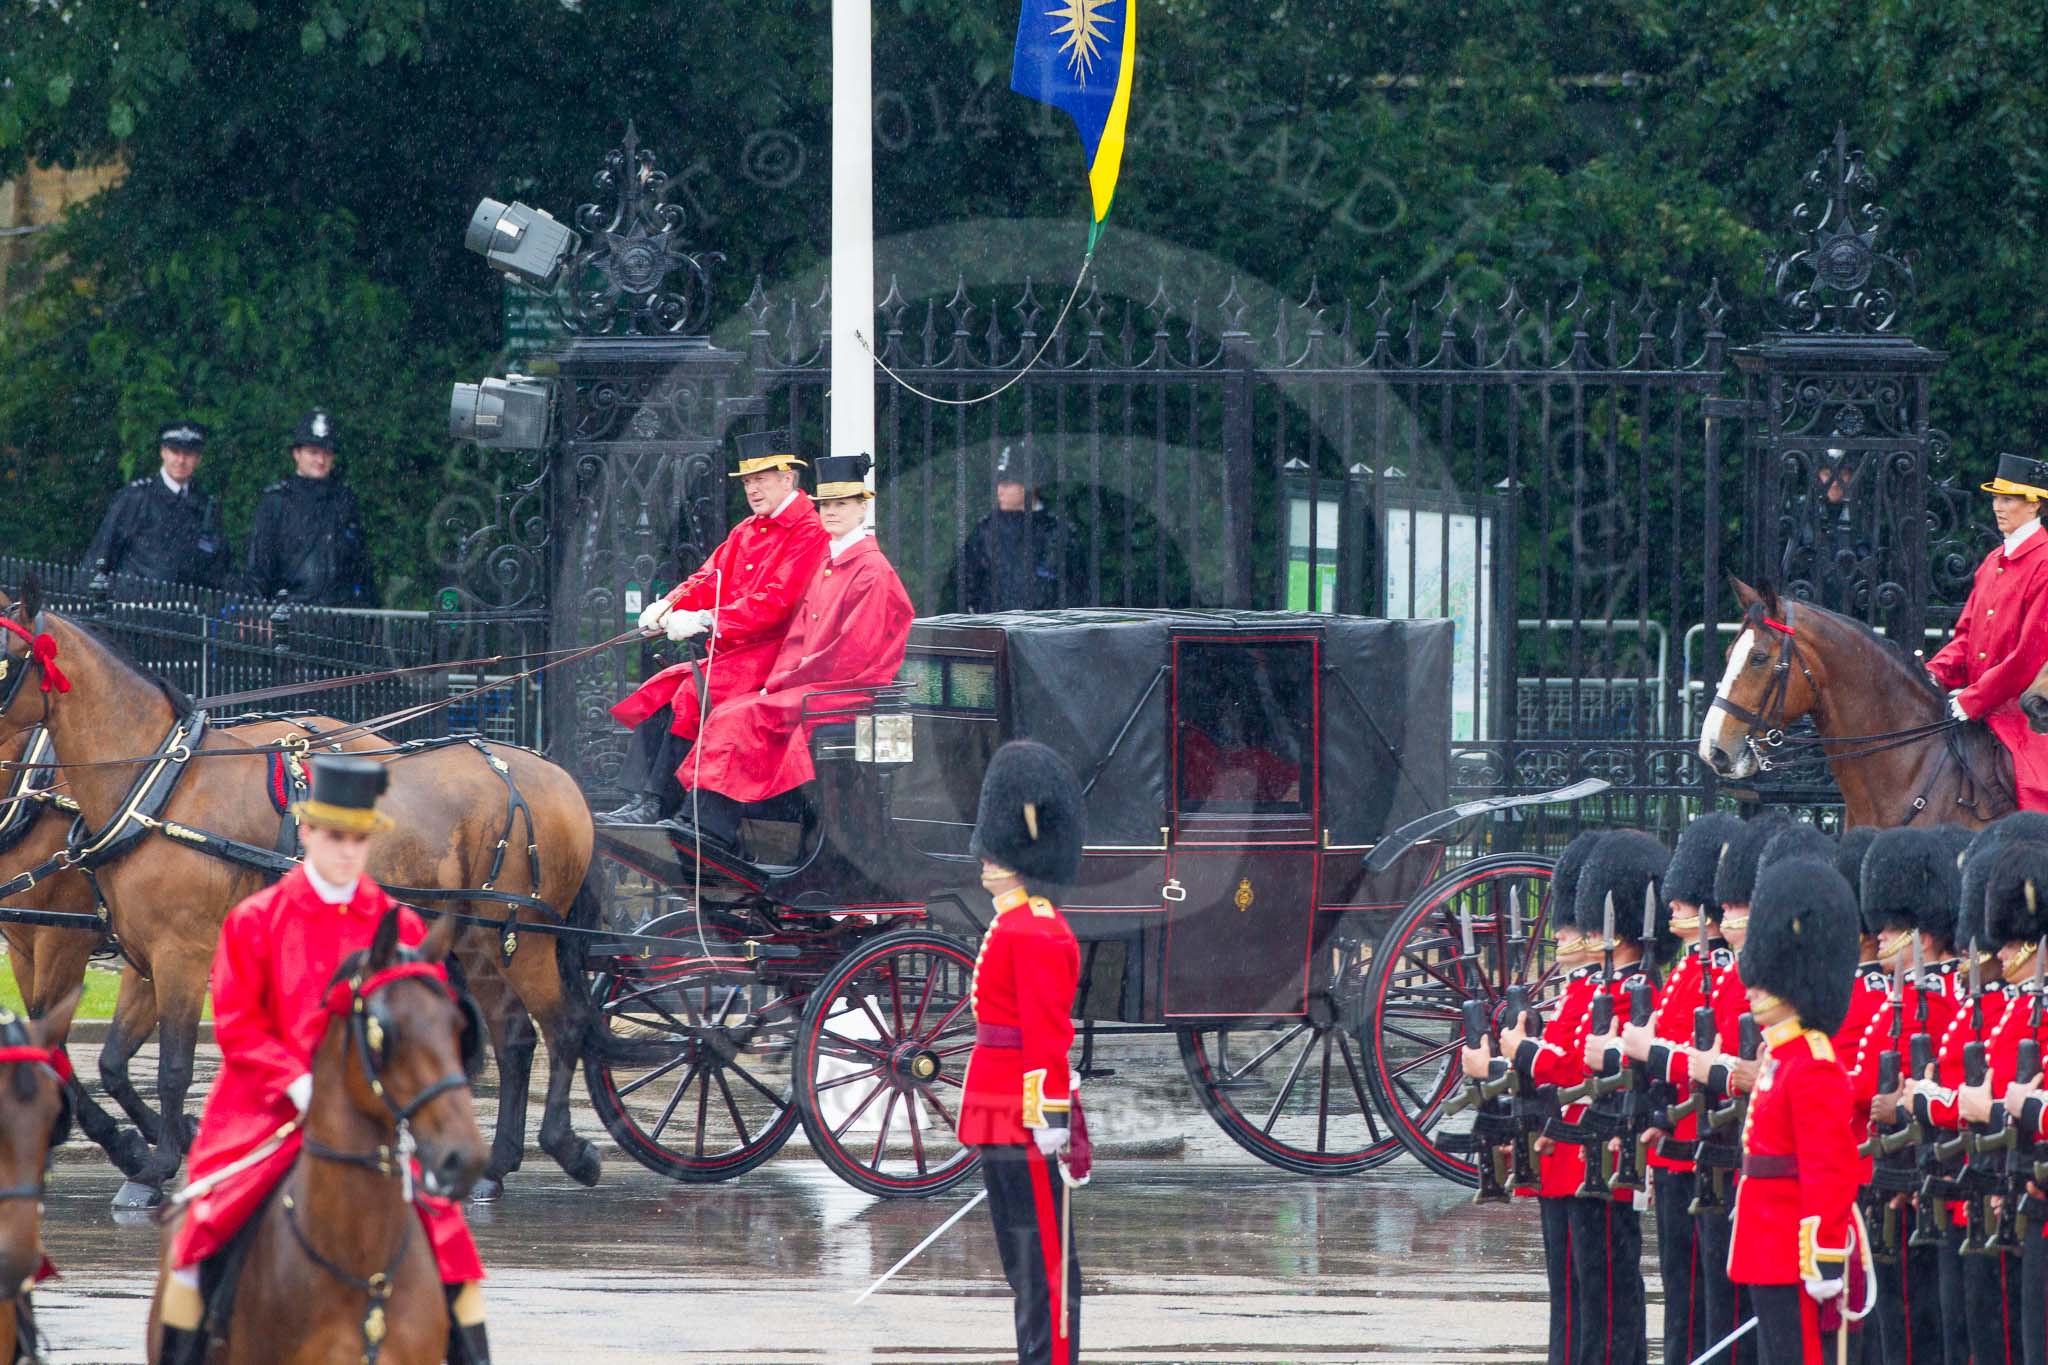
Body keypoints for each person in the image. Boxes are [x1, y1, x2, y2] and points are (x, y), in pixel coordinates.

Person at [155, 755, 488, 1365]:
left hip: (373, 1111)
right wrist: (299, 1084)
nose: (346, 851)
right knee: (200, 1232)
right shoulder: (254, 920)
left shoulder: (401, 925)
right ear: (306, 832)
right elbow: (237, 1027)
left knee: (452, 1242)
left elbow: (425, 1031)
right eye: (334, 837)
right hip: (263, 1107)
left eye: (358, 839)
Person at [679, 452, 914, 850]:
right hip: (816, 683)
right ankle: (707, 822)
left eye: (842, 504)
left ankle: (713, 829)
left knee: (744, 716)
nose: (831, 513)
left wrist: (786, 682)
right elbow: (800, 635)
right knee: (732, 710)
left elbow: (851, 653)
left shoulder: (872, 570)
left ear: (862, 507)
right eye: (825, 505)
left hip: (847, 690)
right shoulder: (831, 561)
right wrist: (777, 681)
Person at [602, 430, 829, 824]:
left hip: (775, 655)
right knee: (660, 690)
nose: (752, 489)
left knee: (691, 692)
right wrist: (669, 605)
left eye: (761, 479)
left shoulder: (809, 531)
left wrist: (708, 620)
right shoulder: (747, 529)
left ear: (788, 478)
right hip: (739, 651)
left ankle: (660, 802)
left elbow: (776, 603)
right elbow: (709, 577)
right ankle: (639, 799)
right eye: (747, 482)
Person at [960, 740, 1088, 1365]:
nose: (985, 860)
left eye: (997, 851)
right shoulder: (1016, 922)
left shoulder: (1035, 929)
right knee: (1022, 1258)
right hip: (1000, 1109)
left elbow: (1045, 1035)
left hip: (1023, 1114)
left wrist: (1049, 1117)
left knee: (1043, 1261)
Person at [1728, 855, 1873, 1365]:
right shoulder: (1783, 1057)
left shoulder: (1812, 1064)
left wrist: (1825, 1256)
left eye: (1765, 979)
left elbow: (1829, 1171)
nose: (1754, 987)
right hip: (1765, 1242)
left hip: (1793, 1247)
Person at [1927, 451, 2048, 812]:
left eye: (2008, 499)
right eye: (1996, 497)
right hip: (1977, 707)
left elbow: (2029, 656)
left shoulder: (2044, 563)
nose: (1998, 506)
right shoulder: (1993, 561)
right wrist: (1934, 674)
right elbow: (1965, 637)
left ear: (2035, 505)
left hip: (2023, 715)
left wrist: (1974, 699)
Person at [241, 409, 377, 606]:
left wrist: (370, 619)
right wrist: (257, 611)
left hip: (341, 619)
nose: (320, 461)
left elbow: (361, 568)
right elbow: (259, 567)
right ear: (297, 453)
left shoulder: (345, 500)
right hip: (291, 617)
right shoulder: (276, 502)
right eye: (313, 452)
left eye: (327, 453)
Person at [82, 419, 230, 589]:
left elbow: (217, 567)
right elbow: (102, 553)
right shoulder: (137, 497)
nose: (181, 460)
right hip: (134, 605)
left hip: (183, 607)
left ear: (198, 459)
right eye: (175, 451)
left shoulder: (205, 505)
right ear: (163, 452)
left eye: (188, 454)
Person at [959, 443, 1079, 613]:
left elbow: (1075, 593)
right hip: (994, 634)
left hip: (1044, 635)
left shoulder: (1058, 533)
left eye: (1007, 483)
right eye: (998, 483)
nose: (999, 490)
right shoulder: (984, 532)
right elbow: (967, 591)